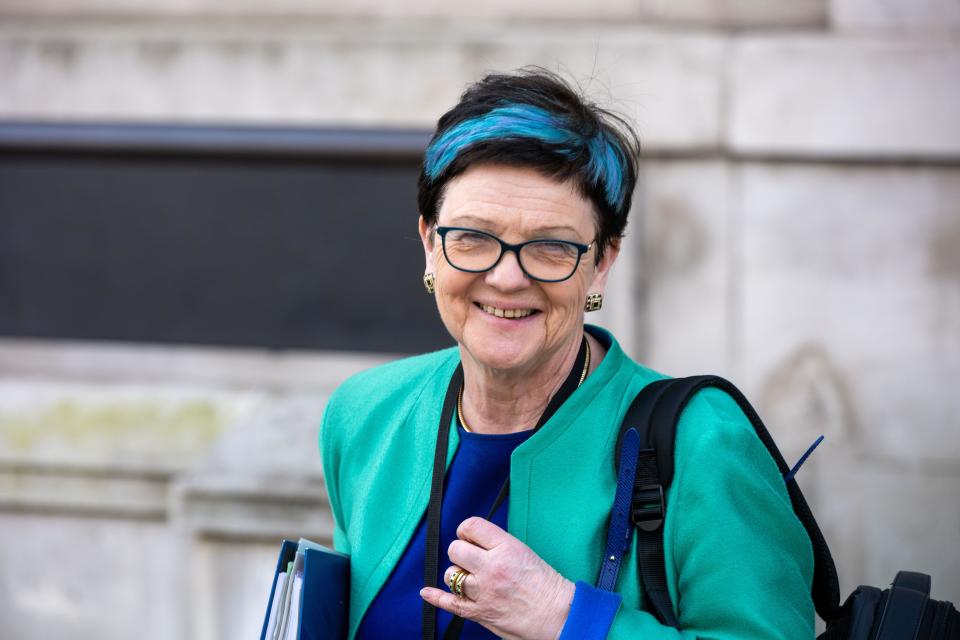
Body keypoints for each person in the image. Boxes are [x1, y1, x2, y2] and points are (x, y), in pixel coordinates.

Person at [320, 68, 814, 640]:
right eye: (473, 238)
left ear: (602, 261)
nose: (506, 278)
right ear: (431, 244)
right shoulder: (364, 415)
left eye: (551, 246)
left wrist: (564, 617)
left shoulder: (704, 441)